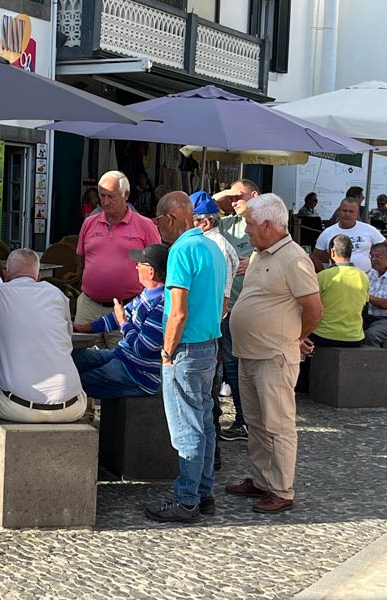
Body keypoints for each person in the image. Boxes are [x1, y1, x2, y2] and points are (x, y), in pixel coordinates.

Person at [228, 193, 322, 514]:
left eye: (250, 224)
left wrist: (296, 337)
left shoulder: (294, 259)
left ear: (269, 225)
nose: (246, 230)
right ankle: (261, 479)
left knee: (278, 424)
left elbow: (314, 309)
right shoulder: (260, 253)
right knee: (255, 422)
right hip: (250, 352)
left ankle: (282, 489)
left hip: (274, 355)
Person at [144, 192, 225, 523]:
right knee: (204, 422)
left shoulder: (181, 251)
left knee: (187, 426)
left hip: (187, 349)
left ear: (170, 218)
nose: (158, 228)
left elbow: (177, 312)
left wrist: (166, 351)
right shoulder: (211, 247)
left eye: (158, 221)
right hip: (210, 343)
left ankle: (187, 498)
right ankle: (204, 494)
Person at [0, 249, 86, 433]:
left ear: (6, 275)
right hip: (72, 406)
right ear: (38, 276)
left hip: (17, 405)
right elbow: (67, 335)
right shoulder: (56, 294)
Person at [75, 170, 161, 349]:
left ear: (126, 195)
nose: (105, 202)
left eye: (111, 196)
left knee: (120, 362)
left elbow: (158, 265)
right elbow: (80, 259)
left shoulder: (145, 225)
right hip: (89, 305)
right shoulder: (89, 223)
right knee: (80, 359)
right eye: (102, 196)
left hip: (126, 307)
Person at [72, 244, 167, 399]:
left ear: (151, 272)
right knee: (72, 359)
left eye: (139, 264)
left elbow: (142, 348)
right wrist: (86, 328)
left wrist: (123, 323)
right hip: (122, 356)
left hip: (137, 375)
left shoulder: (161, 305)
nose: (136, 268)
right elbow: (120, 314)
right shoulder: (147, 294)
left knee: (72, 384)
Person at [190, 190, 239, 470]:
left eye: (189, 220)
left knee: (207, 395)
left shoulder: (214, 247)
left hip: (209, 329)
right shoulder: (214, 244)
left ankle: (211, 456)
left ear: (204, 223)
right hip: (210, 326)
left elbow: (221, 300)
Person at [212, 179, 258, 441]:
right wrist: (227, 193)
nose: (233, 201)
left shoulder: (265, 224)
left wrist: (253, 259)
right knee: (223, 365)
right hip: (223, 308)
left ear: (254, 195)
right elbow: (203, 210)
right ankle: (229, 419)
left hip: (247, 308)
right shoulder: (228, 224)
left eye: (239, 196)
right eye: (231, 197)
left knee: (237, 365)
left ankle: (244, 419)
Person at [311, 234, 369, 347]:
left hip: (324, 335)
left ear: (332, 252)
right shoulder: (363, 276)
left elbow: (311, 307)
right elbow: (364, 307)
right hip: (355, 337)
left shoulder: (323, 276)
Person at [311, 198, 386, 273]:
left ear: (357, 214)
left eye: (351, 211)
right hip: (337, 279)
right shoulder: (327, 233)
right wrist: (324, 275)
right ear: (339, 212)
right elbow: (316, 258)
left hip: (366, 277)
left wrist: (377, 272)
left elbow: (386, 249)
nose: (347, 214)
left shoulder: (369, 229)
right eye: (344, 211)